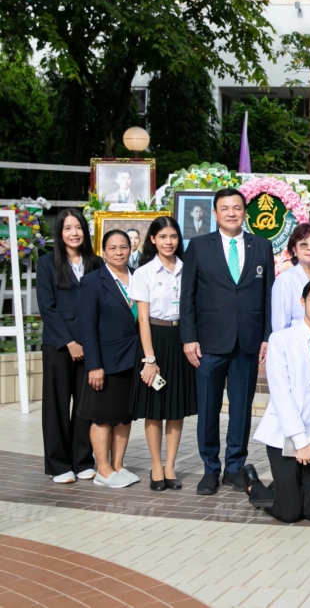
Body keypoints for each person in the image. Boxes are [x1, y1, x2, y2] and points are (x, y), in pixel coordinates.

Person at [180, 188, 276, 496]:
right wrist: (188, 338)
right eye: (225, 208)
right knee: (208, 407)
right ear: (215, 213)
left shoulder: (261, 246)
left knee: (242, 409)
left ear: (245, 212)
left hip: (248, 341)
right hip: (208, 342)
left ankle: (235, 467)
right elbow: (187, 297)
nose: (231, 213)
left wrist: (267, 336)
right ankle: (210, 468)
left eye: (237, 207)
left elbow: (268, 295)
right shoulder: (198, 246)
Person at [242, 277, 310, 523]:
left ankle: (285, 486)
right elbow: (281, 394)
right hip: (283, 432)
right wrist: (300, 441)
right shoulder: (281, 340)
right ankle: (253, 485)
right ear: (302, 302)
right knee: (289, 513)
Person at [127, 217, 196, 491]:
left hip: (182, 339)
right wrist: (149, 359)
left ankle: (170, 466)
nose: (169, 242)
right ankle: (156, 466)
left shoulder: (188, 269)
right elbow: (142, 319)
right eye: (163, 237)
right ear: (153, 239)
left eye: (173, 236)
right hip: (154, 339)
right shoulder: (144, 273)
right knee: (154, 409)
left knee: (176, 408)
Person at [36, 208, 100, 483]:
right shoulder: (46, 263)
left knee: (86, 405)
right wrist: (69, 342)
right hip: (59, 345)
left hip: (91, 344)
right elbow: (47, 308)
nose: (74, 233)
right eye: (68, 228)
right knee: (57, 405)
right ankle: (58, 465)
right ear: (60, 232)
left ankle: (82, 460)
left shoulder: (96, 262)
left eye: (78, 227)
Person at [77, 230, 139, 488]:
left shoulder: (138, 277)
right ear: (103, 252)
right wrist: (94, 365)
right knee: (102, 416)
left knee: (124, 416)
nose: (118, 252)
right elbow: (87, 327)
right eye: (112, 248)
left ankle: (118, 465)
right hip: (106, 360)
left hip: (132, 359)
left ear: (130, 249)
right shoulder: (93, 281)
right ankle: (103, 468)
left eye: (123, 247)